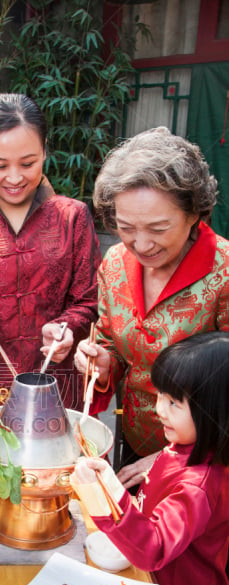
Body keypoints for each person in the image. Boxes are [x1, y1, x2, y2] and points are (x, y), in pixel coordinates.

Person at [71, 332, 229, 585]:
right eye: (160, 395)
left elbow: (153, 547)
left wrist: (100, 496)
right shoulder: (183, 448)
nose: (159, 409)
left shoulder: (200, 483)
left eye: (174, 402)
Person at [74, 127, 229, 489]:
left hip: (208, 462)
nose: (141, 244)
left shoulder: (223, 271)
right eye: (126, 227)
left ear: (194, 214)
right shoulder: (114, 263)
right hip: (135, 440)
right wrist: (103, 362)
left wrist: (171, 459)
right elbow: (113, 340)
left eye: (158, 228)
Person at [0, 93, 99, 421]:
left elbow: (89, 302)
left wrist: (67, 328)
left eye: (28, 164)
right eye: (0, 165)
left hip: (56, 386)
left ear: (44, 153)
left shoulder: (74, 217)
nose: (14, 178)